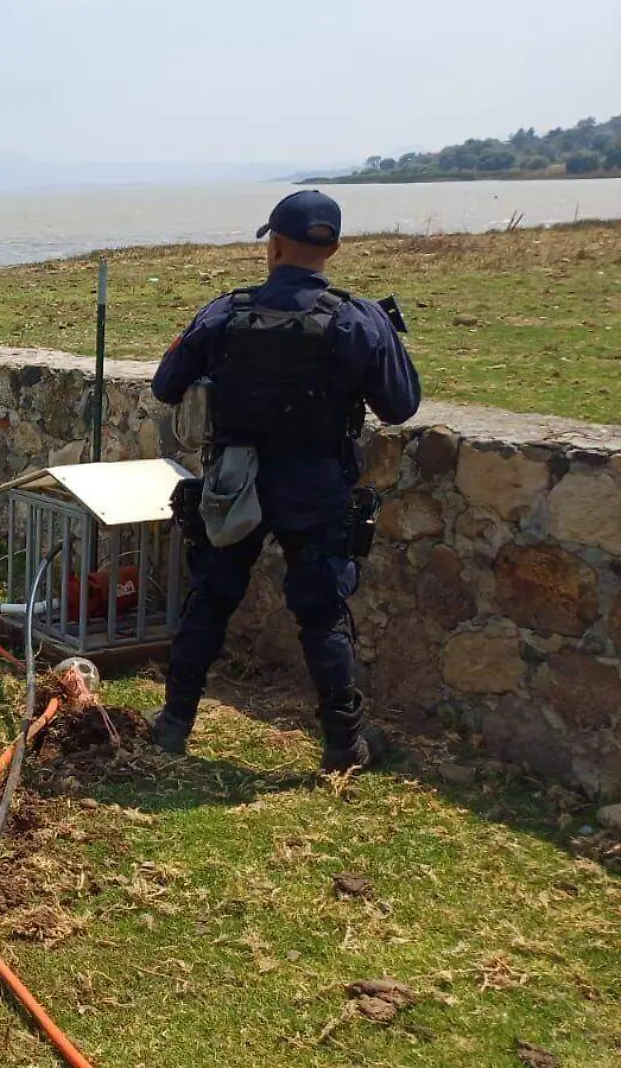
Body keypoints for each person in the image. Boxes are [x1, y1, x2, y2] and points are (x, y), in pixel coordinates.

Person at [149, 190, 421, 772]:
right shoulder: (357, 318)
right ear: (335, 249)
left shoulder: (226, 311)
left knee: (212, 600)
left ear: (272, 245)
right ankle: (344, 745)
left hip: (234, 482)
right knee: (322, 614)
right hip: (317, 483)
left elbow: (167, 384)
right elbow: (400, 406)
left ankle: (173, 725)